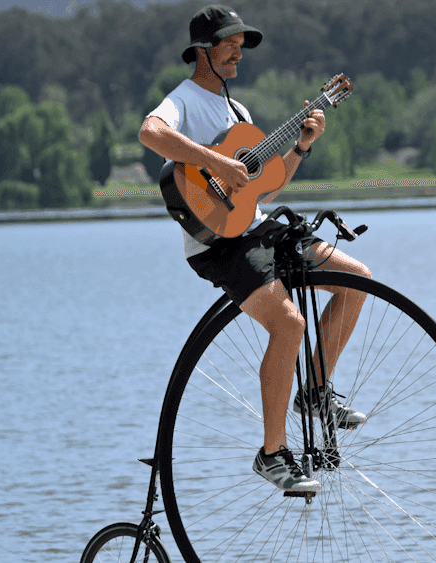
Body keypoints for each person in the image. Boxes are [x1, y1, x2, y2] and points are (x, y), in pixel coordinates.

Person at [138, 5, 370, 493]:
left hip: (256, 227)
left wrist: (301, 148)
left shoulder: (238, 113)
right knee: (289, 324)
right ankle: (272, 454)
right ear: (202, 52)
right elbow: (151, 134)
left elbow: (262, 188)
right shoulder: (182, 100)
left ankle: (313, 392)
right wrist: (214, 162)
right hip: (218, 244)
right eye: (229, 45)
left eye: (241, 46)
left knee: (356, 280)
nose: (238, 54)